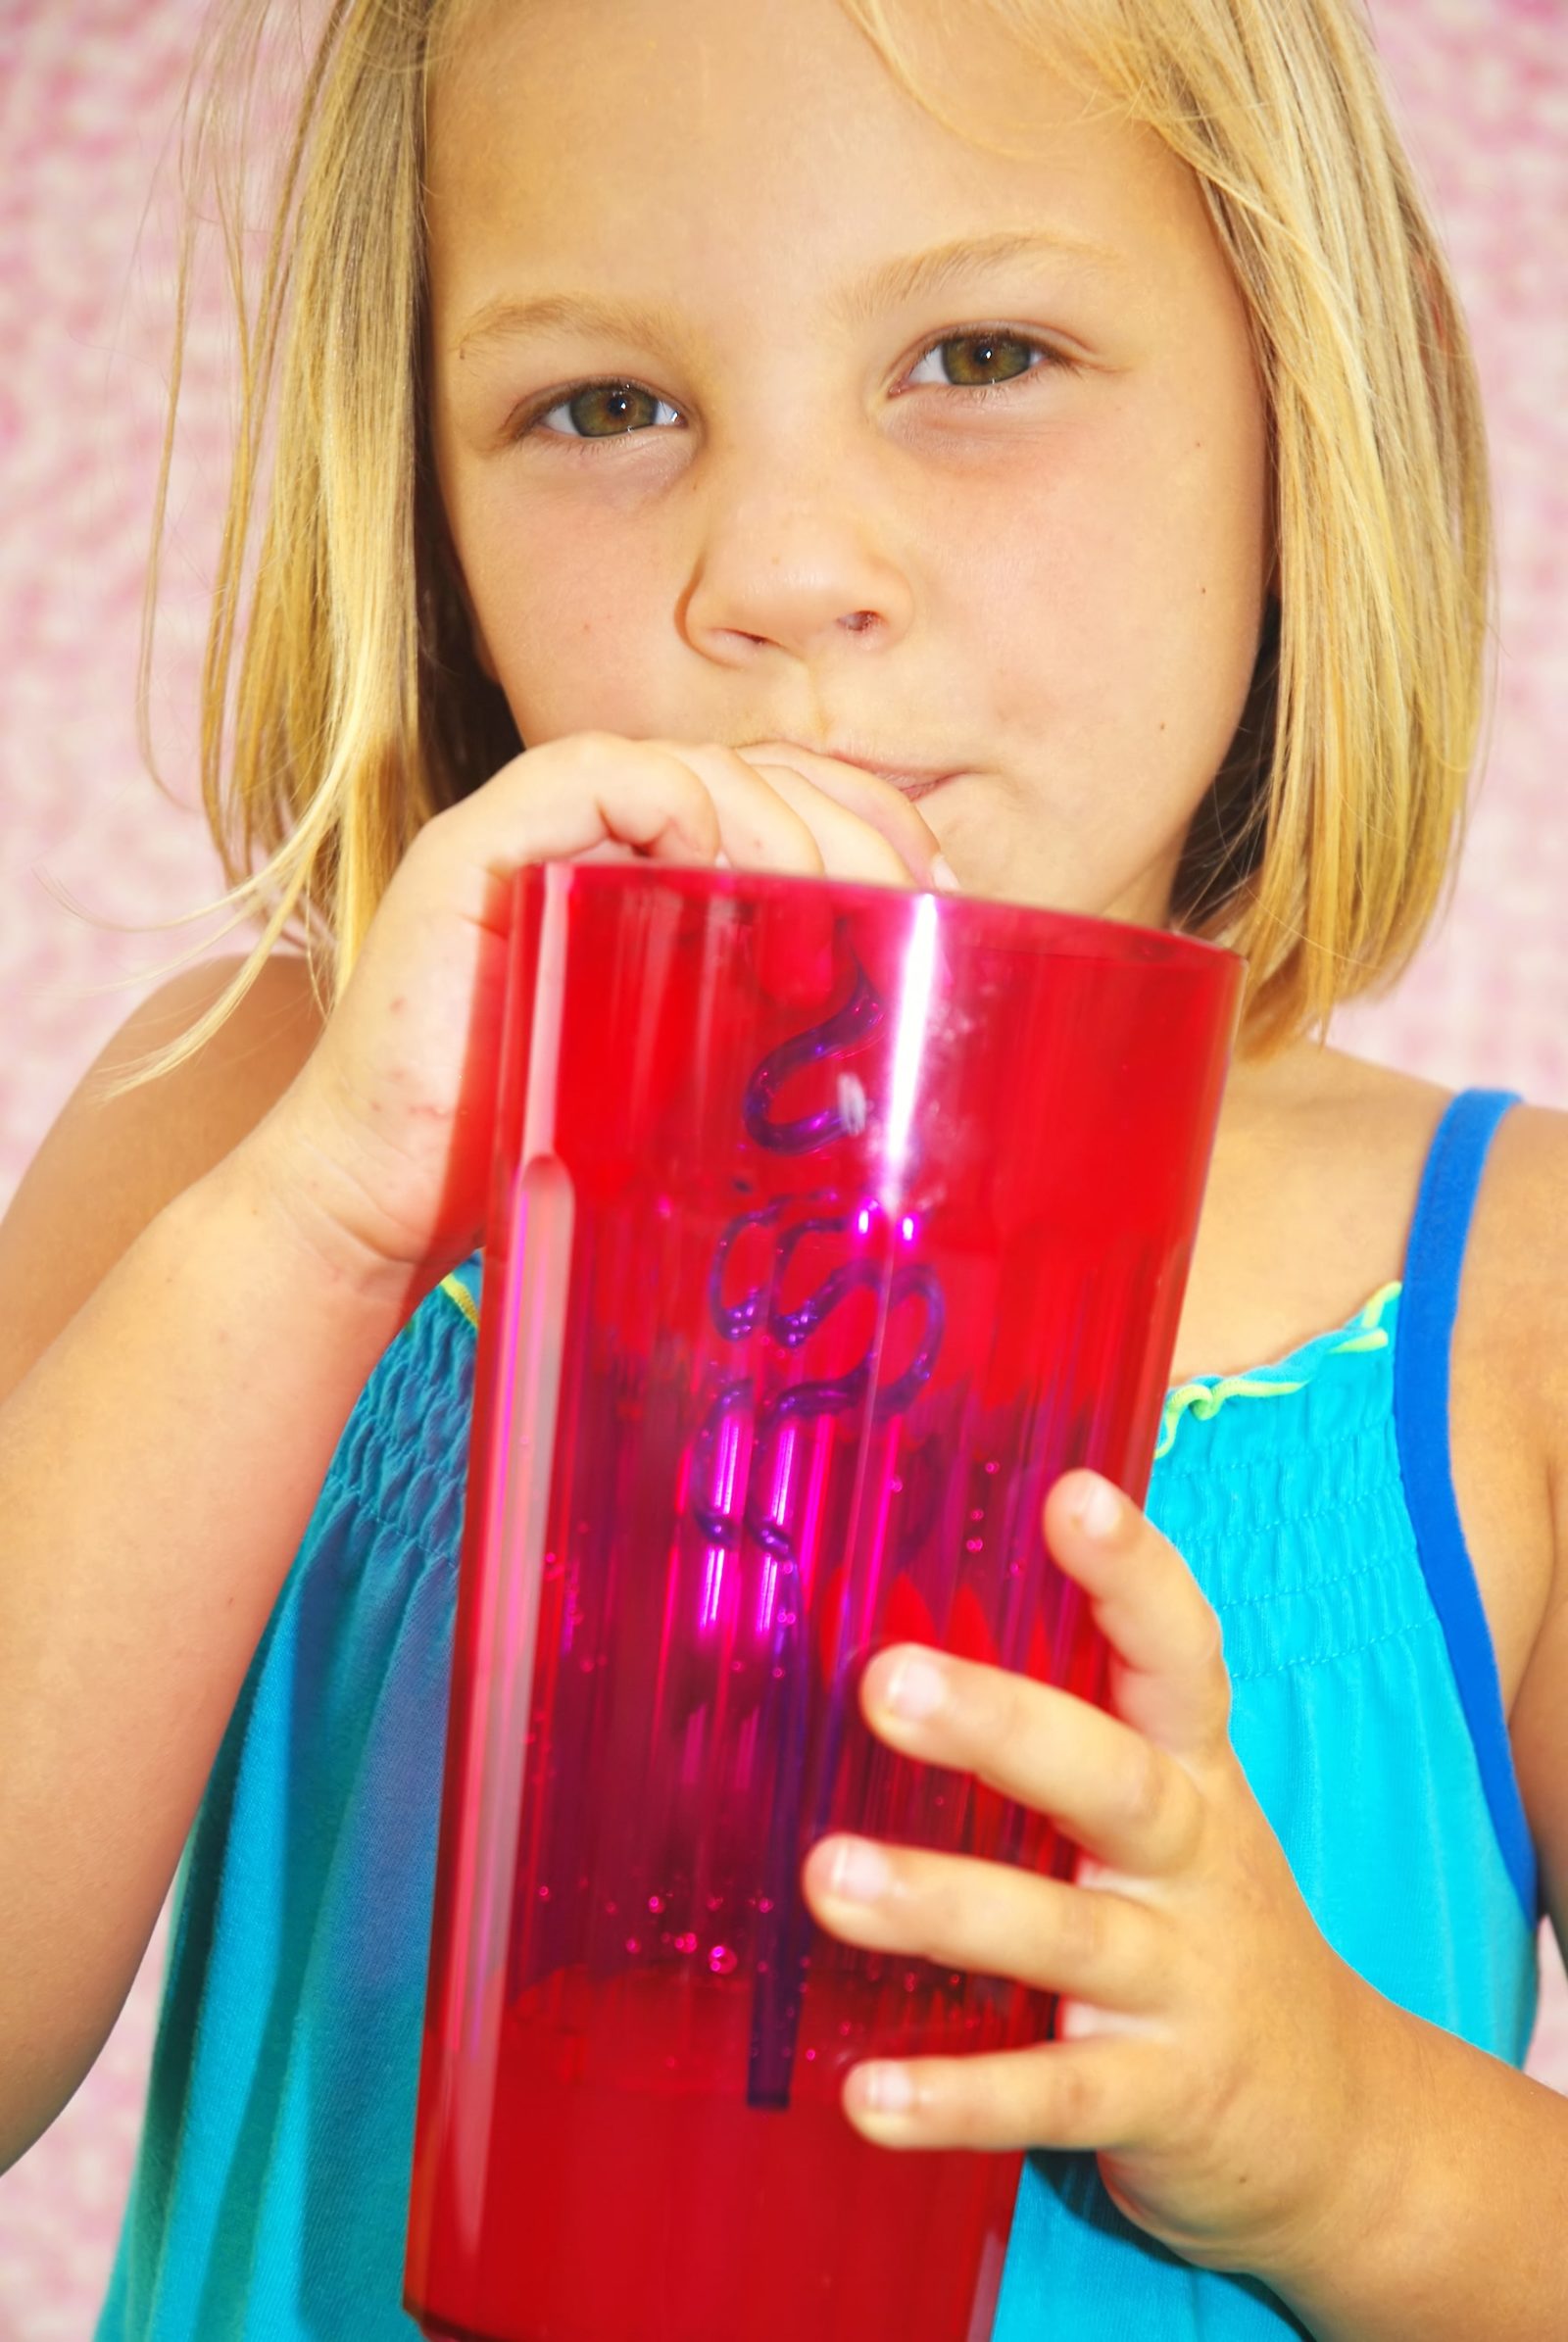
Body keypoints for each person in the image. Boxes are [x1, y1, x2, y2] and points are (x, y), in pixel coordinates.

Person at [1, 0, 1564, 2331]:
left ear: (1292, 397)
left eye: (977, 351)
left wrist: (1333, 2132)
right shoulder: (258, 1128)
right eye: (602, 407)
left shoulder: (1513, 1303)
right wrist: (318, 1221)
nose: (783, 566)